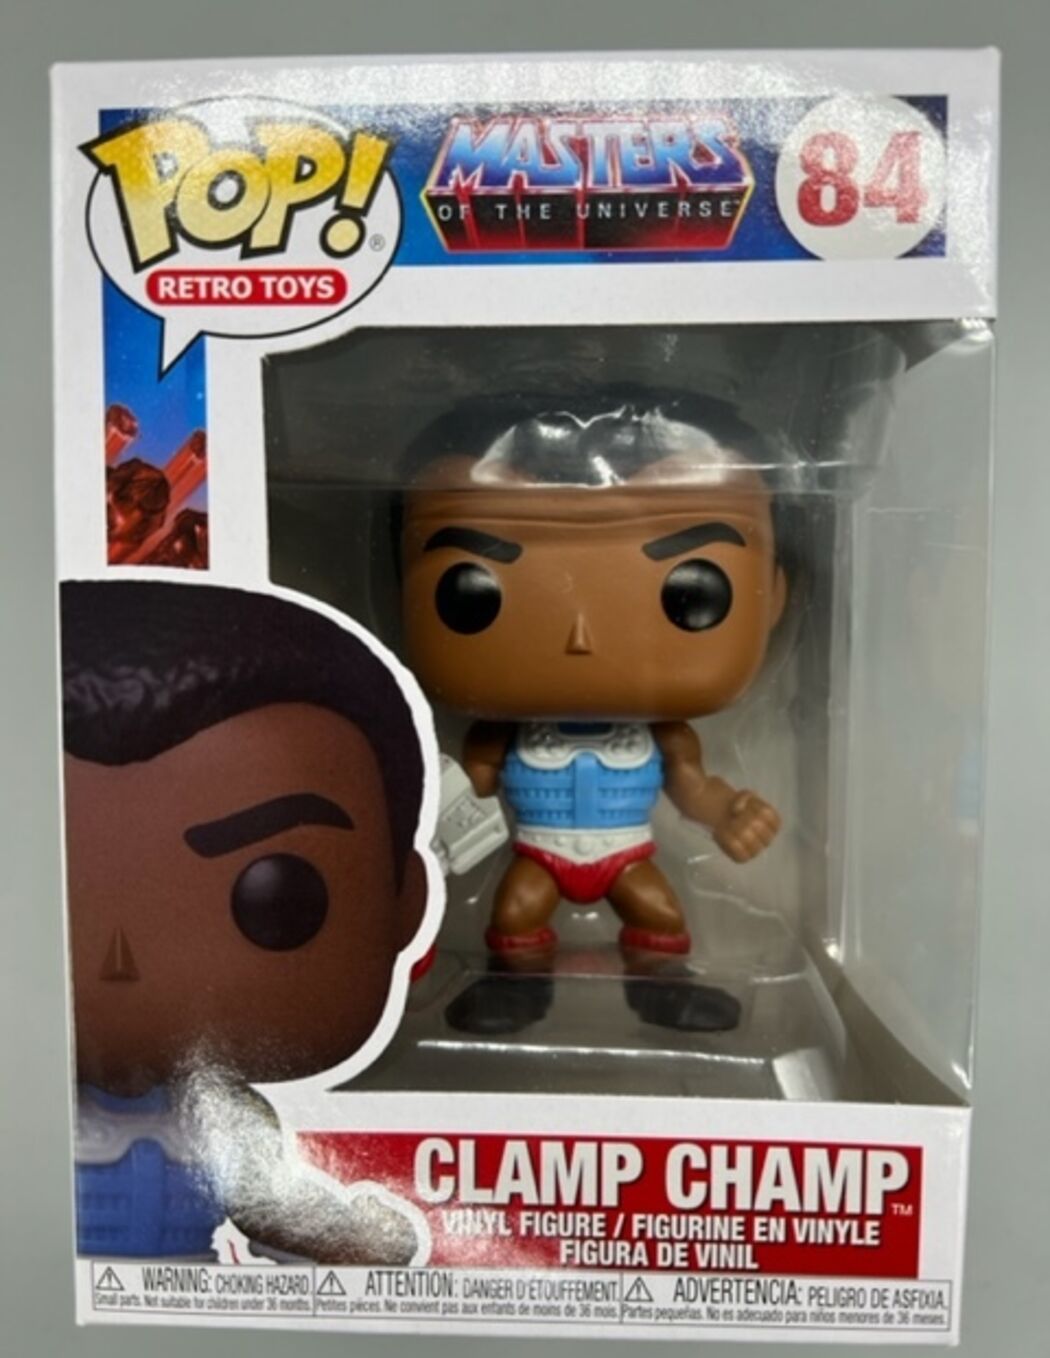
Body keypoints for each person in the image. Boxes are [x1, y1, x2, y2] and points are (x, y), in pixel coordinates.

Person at [62, 580, 431, 1262]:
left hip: (194, 1305)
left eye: (275, 898)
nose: (120, 960)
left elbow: (275, 1207)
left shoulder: (224, 1120)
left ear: (404, 902)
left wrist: (344, 1241)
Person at [401, 389, 786, 1035]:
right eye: (473, 594)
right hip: (540, 852)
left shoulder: (666, 735)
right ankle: (517, 987)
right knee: (516, 912)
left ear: (773, 596)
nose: (580, 637)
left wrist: (729, 812)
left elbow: (693, 788)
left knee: (659, 911)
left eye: (690, 591)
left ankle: (661, 986)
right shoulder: (497, 733)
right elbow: (468, 791)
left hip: (626, 852)